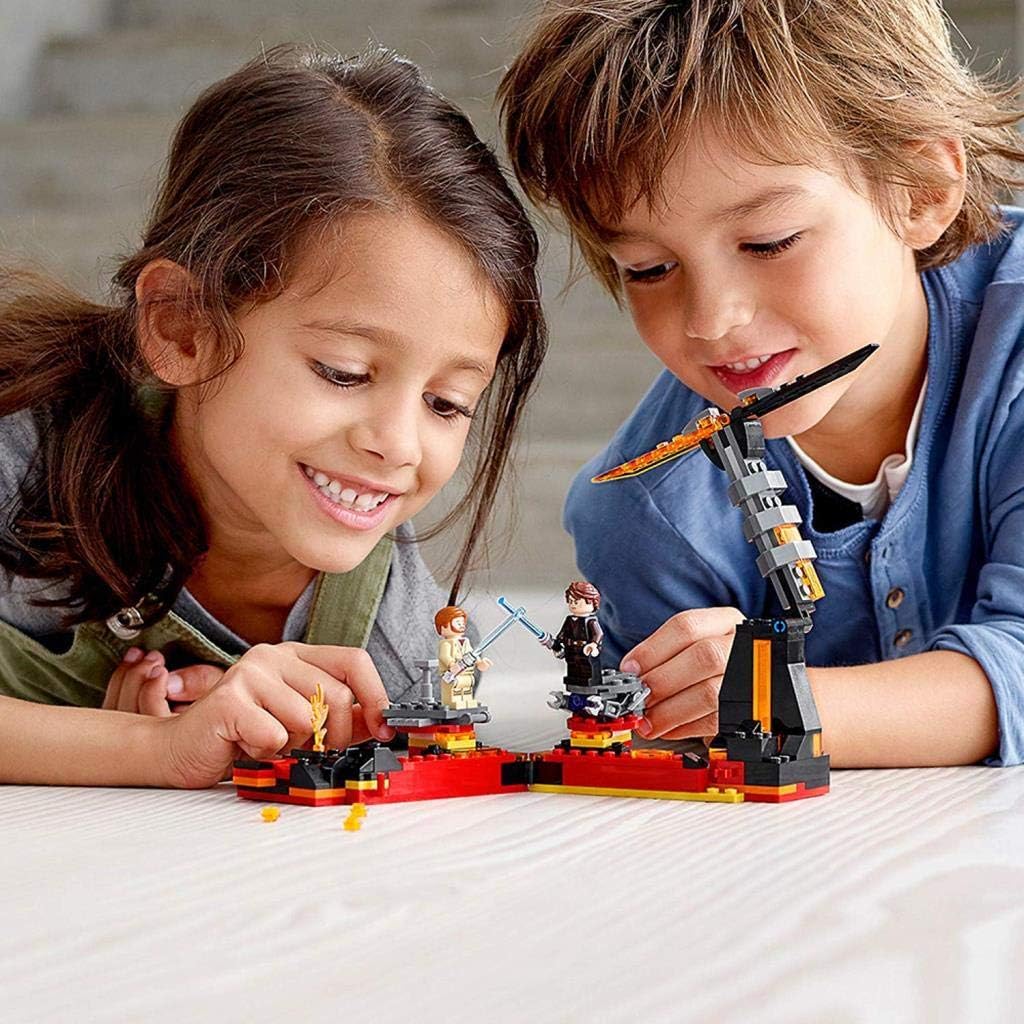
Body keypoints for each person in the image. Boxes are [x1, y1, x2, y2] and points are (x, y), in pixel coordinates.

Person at [0, 43, 546, 787]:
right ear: (181, 328)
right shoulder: (25, 452)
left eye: (446, 404)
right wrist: (145, 747)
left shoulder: (398, 657)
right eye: (344, 372)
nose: (397, 444)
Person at [498, 0, 1024, 767]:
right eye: (649, 268)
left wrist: (775, 696)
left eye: (769, 242)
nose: (712, 319)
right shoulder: (643, 516)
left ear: (919, 191)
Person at [542, 580, 603, 686]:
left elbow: (598, 634)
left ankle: (590, 680)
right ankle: (573, 679)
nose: (573, 605)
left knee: (586, 665)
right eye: (570, 602)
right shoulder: (569, 620)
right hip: (571, 649)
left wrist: (593, 644)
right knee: (572, 664)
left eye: (576, 602)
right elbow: (563, 633)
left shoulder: (591, 621)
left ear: (591, 602)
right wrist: (556, 642)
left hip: (585, 649)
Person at [434, 605, 491, 709]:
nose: (461, 625)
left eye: (462, 623)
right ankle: (453, 702)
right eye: (457, 623)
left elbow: (471, 654)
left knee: (467, 687)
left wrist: (479, 663)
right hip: (452, 675)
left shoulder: (466, 642)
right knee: (454, 688)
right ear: (443, 626)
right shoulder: (446, 643)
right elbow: (444, 656)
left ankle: (467, 700)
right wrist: (452, 665)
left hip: (466, 672)